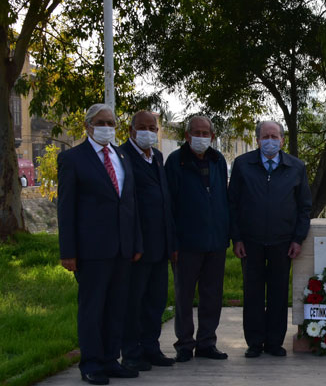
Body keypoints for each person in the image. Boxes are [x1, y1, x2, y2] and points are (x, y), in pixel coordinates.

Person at [57, 103, 143, 384]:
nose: (108, 127)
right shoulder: (73, 159)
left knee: (117, 306)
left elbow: (130, 203)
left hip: (122, 247)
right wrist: (68, 251)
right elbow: (66, 209)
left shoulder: (121, 155)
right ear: (88, 126)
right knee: (92, 308)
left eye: (111, 123)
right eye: (101, 122)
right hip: (91, 250)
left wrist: (136, 242)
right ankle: (91, 363)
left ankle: (110, 359)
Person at [228, 120, 312, 357]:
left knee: (278, 293)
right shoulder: (243, 165)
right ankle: (254, 343)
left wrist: (298, 238)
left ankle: (274, 342)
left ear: (282, 140)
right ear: (257, 140)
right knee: (252, 293)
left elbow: (305, 206)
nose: (270, 141)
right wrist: (237, 238)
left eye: (274, 136)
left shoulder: (296, 167)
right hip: (250, 242)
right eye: (265, 136)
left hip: (283, 243)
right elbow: (232, 204)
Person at [165, 115, 230, 362]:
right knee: (183, 296)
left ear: (212, 136)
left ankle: (206, 343)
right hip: (186, 243)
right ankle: (184, 344)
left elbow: (222, 197)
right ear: (187, 135)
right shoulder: (175, 161)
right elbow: (168, 204)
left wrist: (226, 234)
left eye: (206, 133)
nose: (201, 137)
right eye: (197, 132)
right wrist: (173, 242)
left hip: (215, 241)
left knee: (212, 295)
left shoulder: (218, 160)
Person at [119, 111, 178, 371]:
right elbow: (126, 206)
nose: (148, 132)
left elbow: (165, 202)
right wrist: (134, 243)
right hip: (138, 247)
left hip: (161, 246)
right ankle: (132, 353)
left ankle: (151, 348)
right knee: (134, 303)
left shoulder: (157, 157)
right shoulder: (122, 157)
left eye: (152, 127)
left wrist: (171, 243)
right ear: (131, 130)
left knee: (156, 301)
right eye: (142, 127)